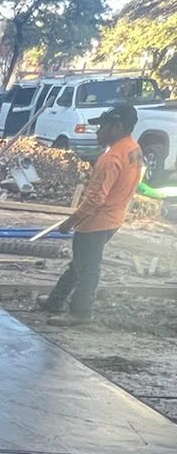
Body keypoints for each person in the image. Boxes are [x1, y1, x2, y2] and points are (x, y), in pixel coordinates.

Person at [37, 101, 143, 324]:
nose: (98, 131)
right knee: (79, 264)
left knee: (87, 269)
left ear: (117, 127)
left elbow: (95, 198)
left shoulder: (110, 159)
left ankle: (80, 313)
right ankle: (55, 300)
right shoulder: (133, 148)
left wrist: (72, 221)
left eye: (102, 126)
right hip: (113, 217)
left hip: (97, 221)